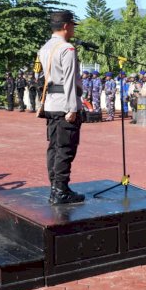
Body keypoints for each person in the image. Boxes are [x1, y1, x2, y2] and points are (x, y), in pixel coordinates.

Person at [38, 10, 85, 204]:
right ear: (66, 26)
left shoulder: (45, 48)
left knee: (54, 148)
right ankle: (60, 190)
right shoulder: (67, 48)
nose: (73, 29)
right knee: (66, 149)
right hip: (65, 105)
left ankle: (55, 187)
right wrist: (72, 108)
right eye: (72, 25)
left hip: (50, 103)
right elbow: (69, 81)